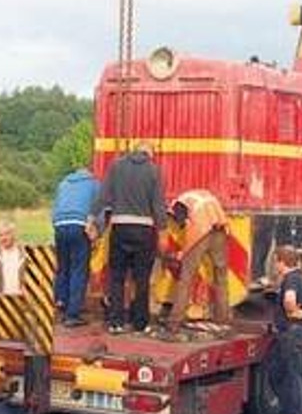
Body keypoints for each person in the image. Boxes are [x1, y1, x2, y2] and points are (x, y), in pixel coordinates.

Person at [91, 142, 168, 334]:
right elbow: (158, 205)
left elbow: (103, 196)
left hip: (120, 227)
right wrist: (163, 232)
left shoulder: (116, 166)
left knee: (116, 277)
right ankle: (140, 323)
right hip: (144, 230)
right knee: (141, 278)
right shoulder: (153, 170)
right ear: (150, 154)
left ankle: (116, 322)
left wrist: (91, 218)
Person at [162, 189, 232, 336]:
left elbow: (189, 229)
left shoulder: (179, 204)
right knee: (221, 277)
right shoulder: (200, 195)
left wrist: (183, 253)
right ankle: (223, 320)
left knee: (185, 278)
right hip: (220, 230)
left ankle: (174, 322)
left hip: (202, 231)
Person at [266, 245, 302, 414]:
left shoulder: (291, 279)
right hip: (291, 333)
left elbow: (290, 300)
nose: (275, 265)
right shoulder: (299, 277)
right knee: (278, 373)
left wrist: (291, 312)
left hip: (291, 334)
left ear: (282, 262)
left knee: (292, 378)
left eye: (276, 261)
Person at [52, 167, 100, 327]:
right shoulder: (93, 183)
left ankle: (61, 302)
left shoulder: (63, 183)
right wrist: (97, 232)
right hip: (79, 225)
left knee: (63, 267)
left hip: (59, 225)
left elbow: (55, 208)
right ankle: (72, 314)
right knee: (79, 269)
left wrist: (57, 226)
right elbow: (98, 209)